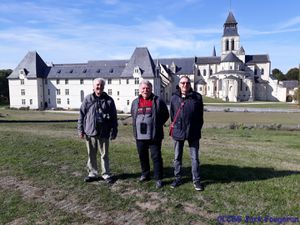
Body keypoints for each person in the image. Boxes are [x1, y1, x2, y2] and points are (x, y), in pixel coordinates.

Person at [78, 78, 118, 184]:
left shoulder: (109, 100)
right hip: (90, 131)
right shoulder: (88, 99)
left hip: (104, 132)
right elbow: (81, 115)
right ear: (93, 86)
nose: (99, 87)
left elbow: (114, 117)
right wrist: (80, 129)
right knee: (91, 154)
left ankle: (106, 174)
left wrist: (114, 130)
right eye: (97, 85)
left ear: (104, 86)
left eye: (100, 85)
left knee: (104, 154)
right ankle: (92, 173)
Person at [131, 80, 169, 188]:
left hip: (154, 135)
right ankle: (145, 174)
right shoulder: (135, 102)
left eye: (147, 88)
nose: (145, 90)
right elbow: (133, 114)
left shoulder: (158, 100)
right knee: (142, 156)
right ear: (139, 90)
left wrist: (157, 124)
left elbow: (166, 114)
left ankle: (158, 178)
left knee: (156, 156)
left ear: (151, 89)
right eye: (143, 88)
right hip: (139, 135)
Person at [169, 76, 204, 191]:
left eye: (187, 83)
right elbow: (172, 115)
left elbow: (200, 117)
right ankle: (177, 178)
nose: (185, 85)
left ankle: (196, 180)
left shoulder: (197, 98)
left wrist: (197, 128)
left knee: (194, 158)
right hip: (178, 131)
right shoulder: (174, 98)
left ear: (190, 84)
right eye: (183, 83)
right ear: (179, 84)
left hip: (193, 132)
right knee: (177, 157)